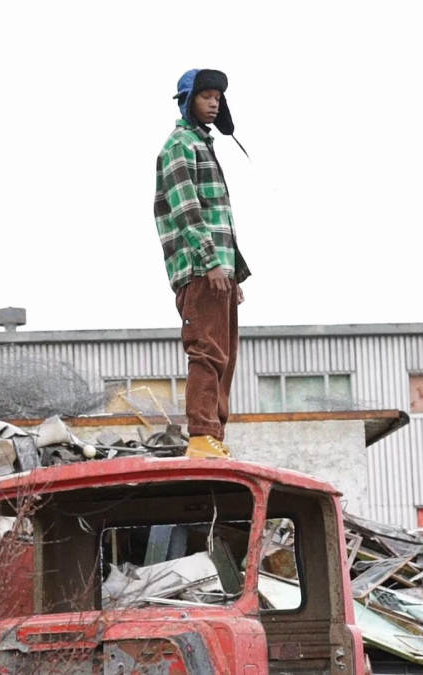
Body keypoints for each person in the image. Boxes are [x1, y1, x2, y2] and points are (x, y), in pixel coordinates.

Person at [153, 68, 250, 459]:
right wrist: (211, 263)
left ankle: (214, 438)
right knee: (206, 351)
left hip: (217, 270)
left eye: (218, 98)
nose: (214, 103)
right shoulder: (180, 144)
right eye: (206, 96)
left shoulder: (203, 145)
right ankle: (201, 435)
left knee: (224, 357)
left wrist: (233, 273)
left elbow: (220, 219)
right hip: (198, 269)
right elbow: (188, 210)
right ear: (187, 100)